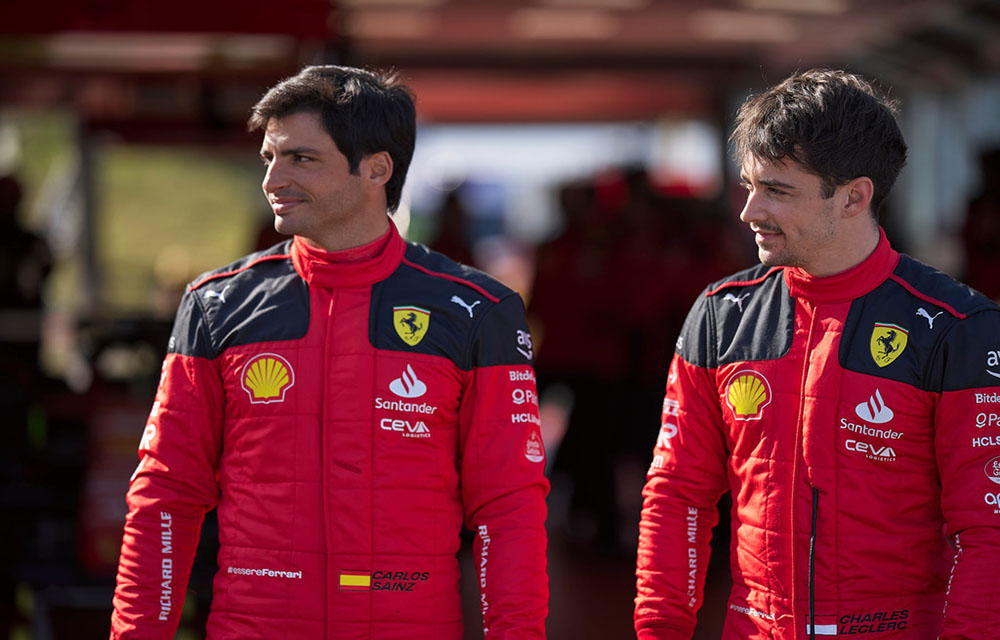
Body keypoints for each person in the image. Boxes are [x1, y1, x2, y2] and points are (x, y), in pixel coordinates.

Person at [110, 65, 549, 639]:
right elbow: (166, 493)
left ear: (376, 168)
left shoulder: (478, 310)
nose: (273, 178)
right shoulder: (216, 304)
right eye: (270, 156)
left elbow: (507, 505)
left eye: (302, 159)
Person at [634, 68, 1000, 639]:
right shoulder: (720, 315)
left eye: (777, 191)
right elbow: (677, 494)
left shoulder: (961, 328)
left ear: (855, 196)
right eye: (750, 185)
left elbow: (987, 531)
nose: (749, 211)